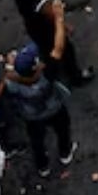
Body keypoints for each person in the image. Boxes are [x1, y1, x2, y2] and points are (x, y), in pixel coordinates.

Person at [8, 0, 94, 86]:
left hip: (32, 26)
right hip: (46, 29)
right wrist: (64, 25)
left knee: (45, 49)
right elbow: (52, 15)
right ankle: (75, 77)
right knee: (66, 50)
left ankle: (51, 68)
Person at [6, 43, 76, 177]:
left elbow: (12, 78)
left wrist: (10, 67)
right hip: (54, 109)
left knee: (37, 141)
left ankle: (43, 166)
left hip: (31, 116)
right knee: (63, 130)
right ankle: (65, 153)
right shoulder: (47, 76)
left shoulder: (12, 83)